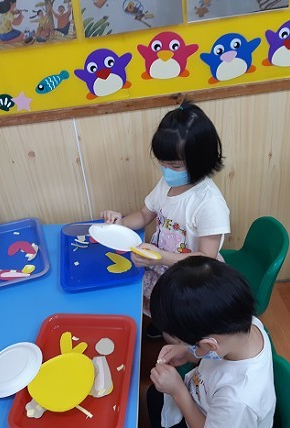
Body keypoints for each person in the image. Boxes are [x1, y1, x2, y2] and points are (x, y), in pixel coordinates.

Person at [101, 100, 230, 339]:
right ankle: (161, 322)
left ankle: (176, 337)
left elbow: (206, 259)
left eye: (174, 165)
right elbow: (144, 214)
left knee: (177, 320)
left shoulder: (209, 203)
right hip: (161, 263)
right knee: (145, 296)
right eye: (162, 163)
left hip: (193, 276)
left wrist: (160, 257)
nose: (166, 170)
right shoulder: (166, 184)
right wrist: (120, 224)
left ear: (201, 160)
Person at [147, 256, 276, 428]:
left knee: (156, 398)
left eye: (188, 343)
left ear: (209, 345)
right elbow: (213, 351)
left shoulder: (238, 400)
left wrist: (178, 392)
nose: (184, 345)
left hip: (206, 417)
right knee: (154, 395)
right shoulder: (243, 324)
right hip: (203, 396)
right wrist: (188, 352)